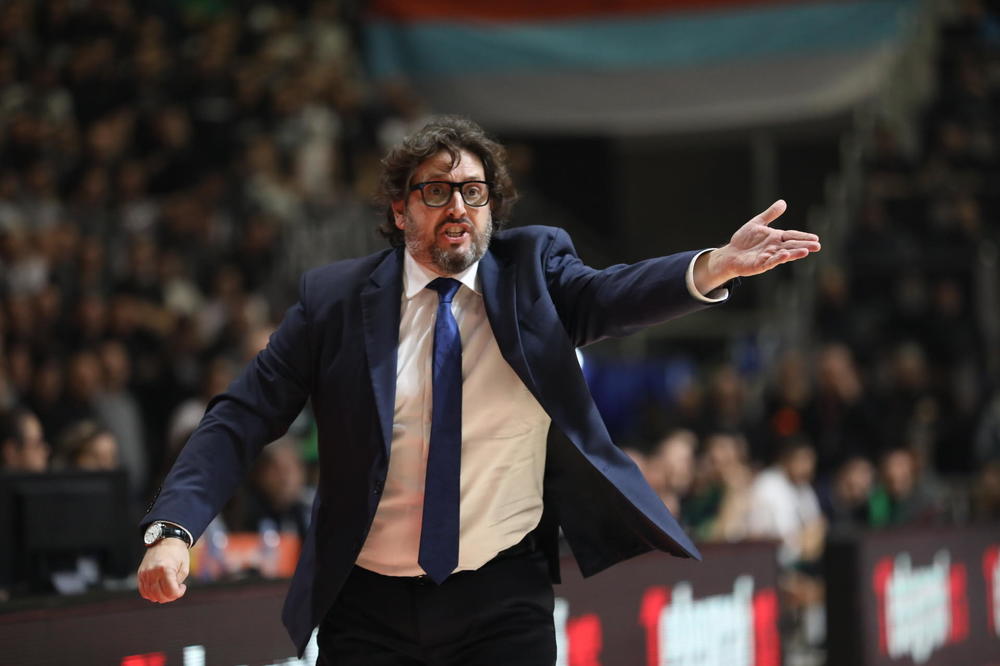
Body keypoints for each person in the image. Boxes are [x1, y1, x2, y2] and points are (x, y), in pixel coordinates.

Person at [137, 116, 820, 663]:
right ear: (400, 210)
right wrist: (175, 529)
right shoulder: (334, 303)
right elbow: (242, 414)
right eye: (436, 191)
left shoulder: (534, 272)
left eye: (474, 190)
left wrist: (710, 266)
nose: (458, 205)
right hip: (366, 604)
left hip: (502, 596)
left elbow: (610, 295)